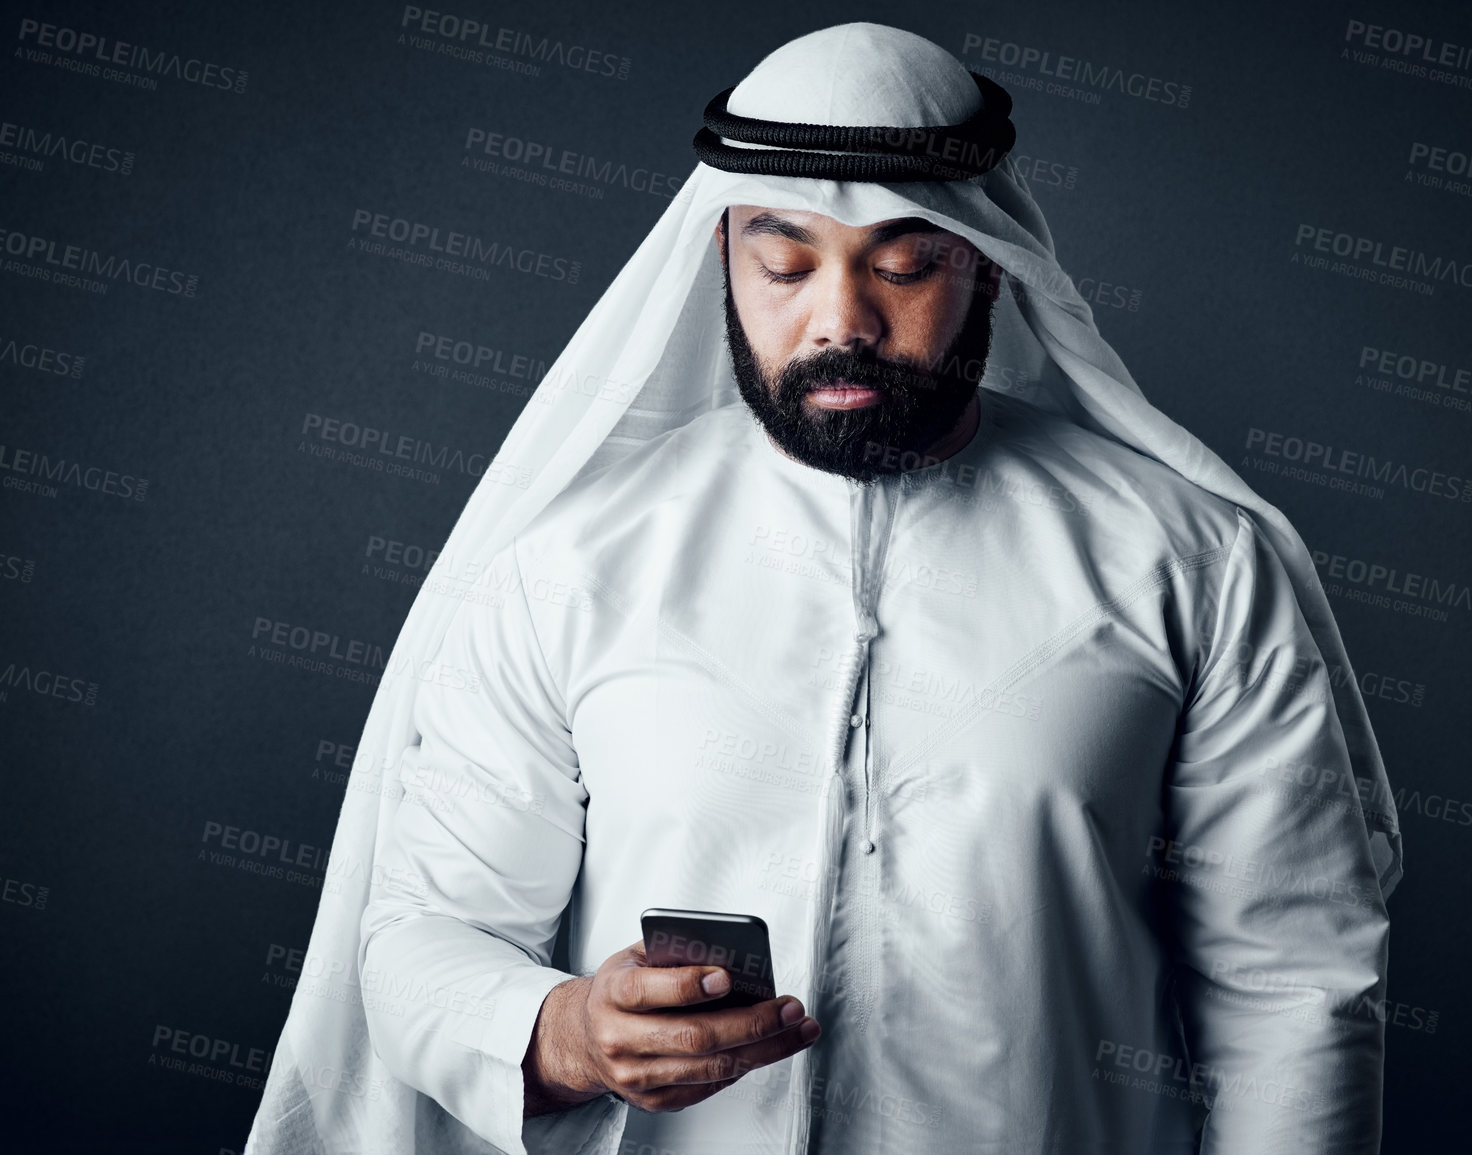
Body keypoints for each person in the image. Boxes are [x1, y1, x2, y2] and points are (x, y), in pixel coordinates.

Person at [247, 22, 1403, 1155]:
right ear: (721, 256)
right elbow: (423, 940)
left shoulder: (1188, 564)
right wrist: (565, 1034)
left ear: (988, 263)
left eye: (903, 263)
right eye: (784, 261)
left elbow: (1290, 985)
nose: (839, 320)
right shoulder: (574, 566)